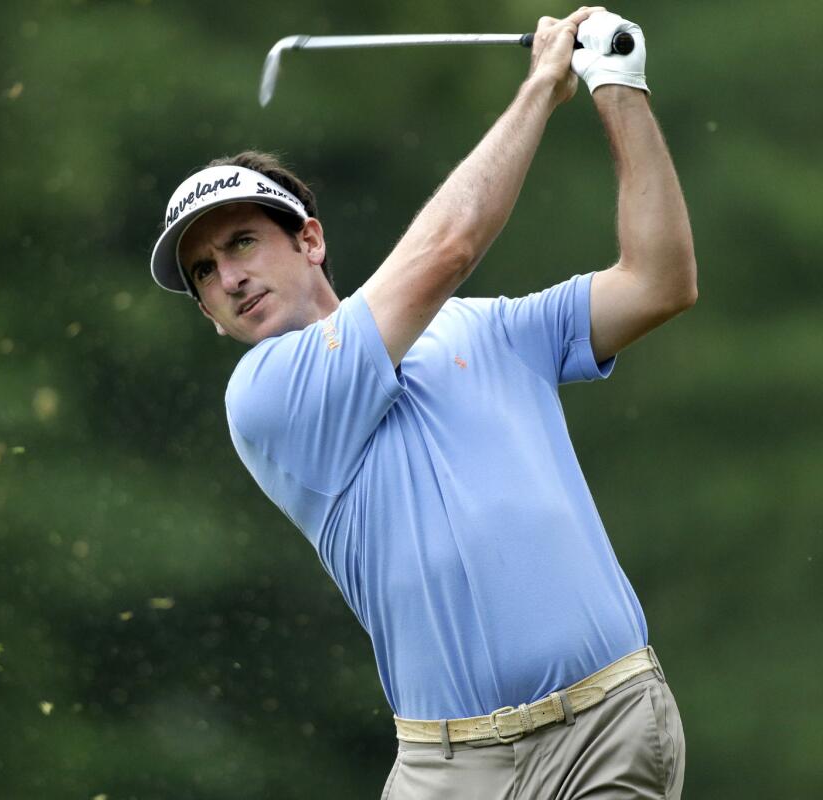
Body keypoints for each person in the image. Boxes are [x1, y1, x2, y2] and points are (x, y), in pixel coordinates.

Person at [148, 7, 694, 798]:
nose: (226, 277)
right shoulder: (265, 400)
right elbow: (448, 249)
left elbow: (659, 281)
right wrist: (543, 86)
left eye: (240, 243)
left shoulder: (491, 327)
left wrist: (618, 88)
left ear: (309, 241)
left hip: (606, 729)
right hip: (448, 771)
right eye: (203, 271)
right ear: (206, 311)